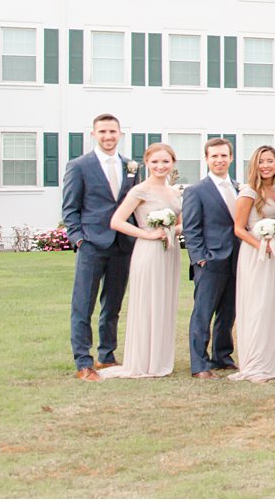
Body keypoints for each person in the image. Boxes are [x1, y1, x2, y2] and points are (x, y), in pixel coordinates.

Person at [62, 113, 140, 380]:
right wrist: (79, 239)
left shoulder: (131, 166)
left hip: (122, 244)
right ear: (93, 134)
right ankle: (84, 361)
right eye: (103, 132)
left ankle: (107, 355)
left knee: (113, 303)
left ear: (120, 134)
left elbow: (135, 205)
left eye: (113, 132)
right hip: (92, 243)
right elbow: (70, 208)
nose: (108, 136)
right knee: (83, 304)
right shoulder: (79, 166)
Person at [98, 143, 182, 379]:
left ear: (173, 163)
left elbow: (181, 223)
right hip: (148, 251)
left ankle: (160, 358)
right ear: (147, 164)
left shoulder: (175, 193)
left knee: (165, 302)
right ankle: (144, 360)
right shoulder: (139, 191)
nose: (160, 166)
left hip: (170, 251)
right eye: (155, 162)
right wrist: (147, 234)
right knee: (148, 303)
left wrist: (172, 230)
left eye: (165, 161)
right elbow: (117, 221)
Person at [229, 145, 275, 382]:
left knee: (272, 304)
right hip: (256, 255)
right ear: (255, 165)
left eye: (270, 161)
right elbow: (238, 228)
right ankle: (255, 364)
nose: (266, 166)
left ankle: (272, 358)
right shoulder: (248, 193)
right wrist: (261, 245)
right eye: (261, 161)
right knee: (258, 305)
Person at [181, 137, 240, 378]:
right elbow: (191, 228)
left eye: (223, 155)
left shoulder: (239, 188)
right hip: (210, 260)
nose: (219, 160)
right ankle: (199, 365)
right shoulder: (196, 190)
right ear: (206, 159)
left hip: (236, 260)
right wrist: (199, 259)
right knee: (203, 313)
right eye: (214, 156)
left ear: (231, 158)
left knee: (228, 313)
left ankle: (222, 356)